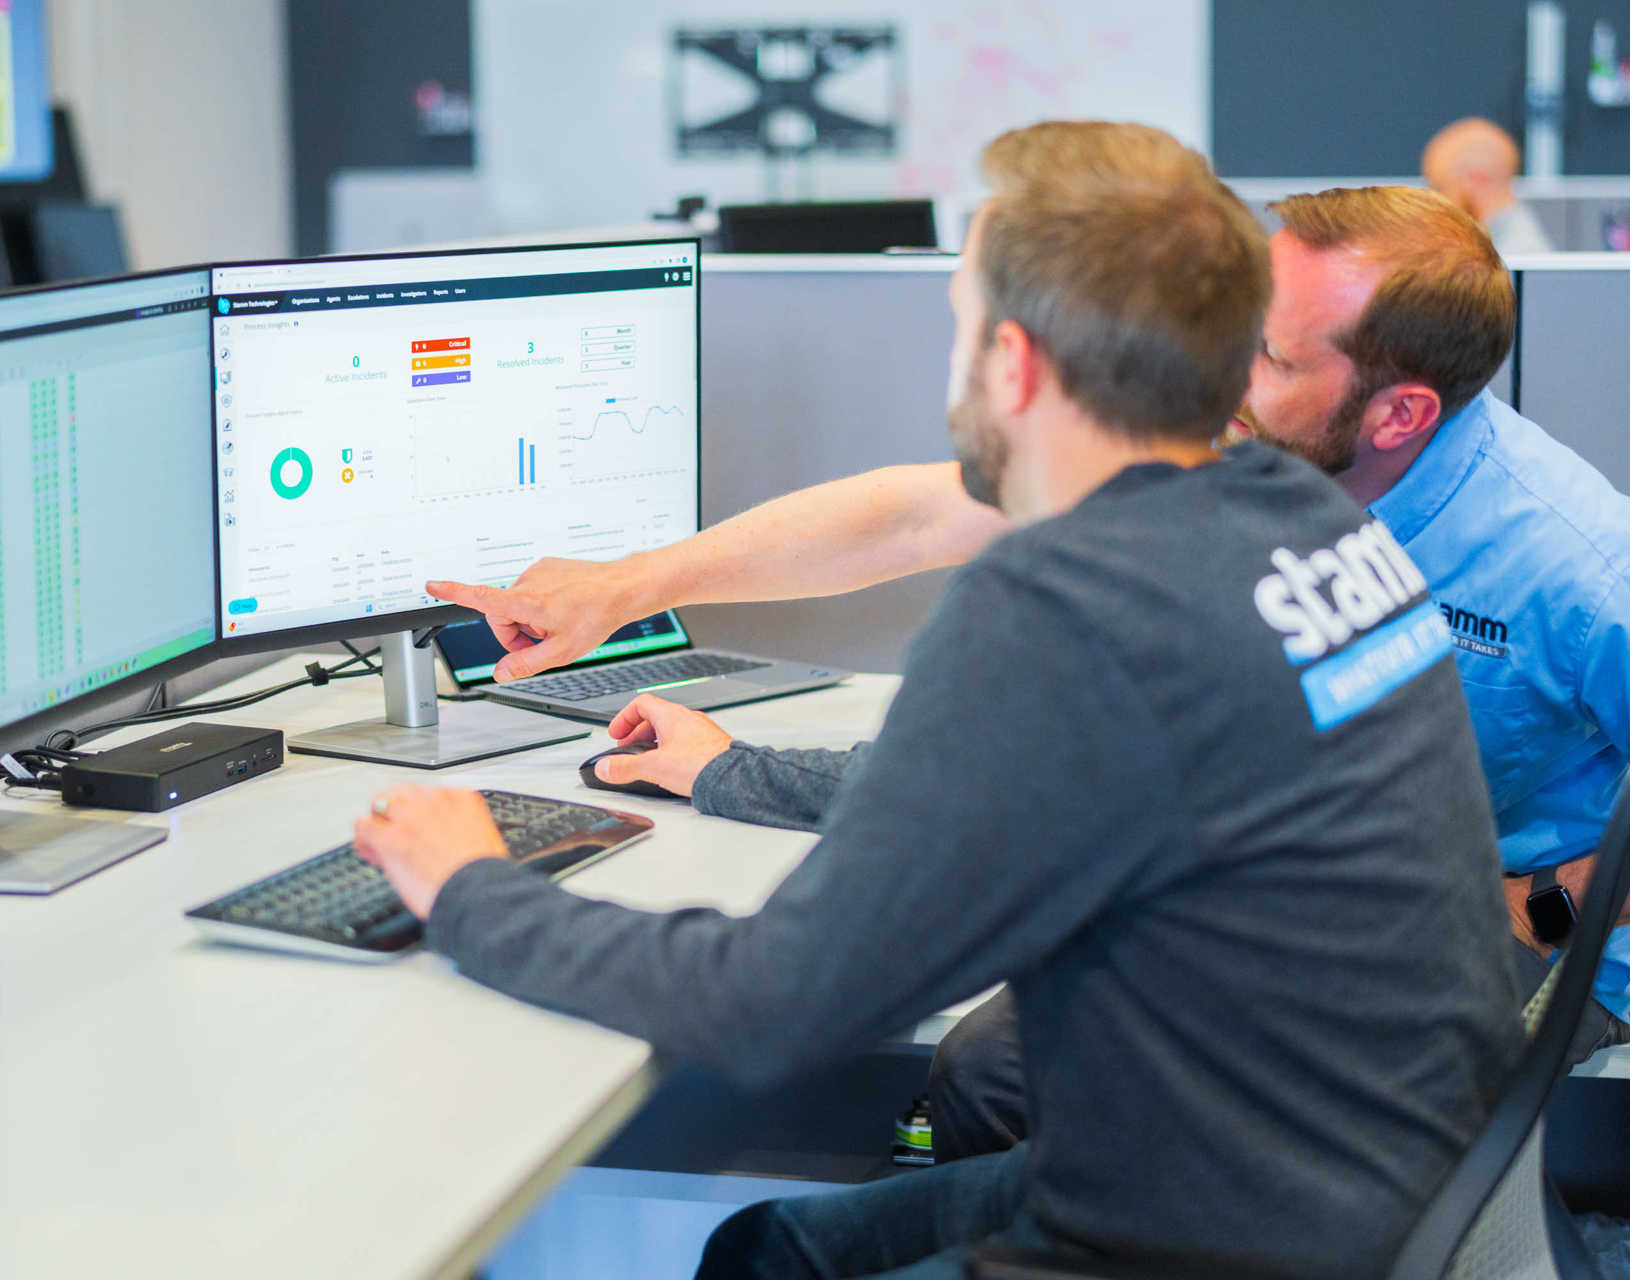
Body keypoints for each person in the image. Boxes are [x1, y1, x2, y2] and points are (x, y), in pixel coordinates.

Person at [427, 183, 1630, 1168]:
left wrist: (1548, 905)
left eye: (1271, 355)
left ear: (1399, 408)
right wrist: (639, 584)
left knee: (997, 1073)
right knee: (989, 1063)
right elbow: (926, 513)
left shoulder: (1582, 561)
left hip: (1479, 955)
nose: (1225, 373)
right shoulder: (1268, 450)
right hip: (1286, 899)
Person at [357, 123, 1524, 1277]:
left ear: (1011, 362)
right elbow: (945, 580)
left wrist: (474, 889)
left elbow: (773, 1007)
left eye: (958, 316)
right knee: (771, 1248)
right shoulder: (1289, 509)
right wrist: (656, 633)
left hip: (1232, 1231)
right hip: (1386, 1184)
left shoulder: (1066, 604)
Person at [1421, 117, 1555, 257]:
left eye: (1440, 188)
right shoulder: (1504, 245)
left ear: (1477, 179)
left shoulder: (1514, 258)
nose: (1436, 200)